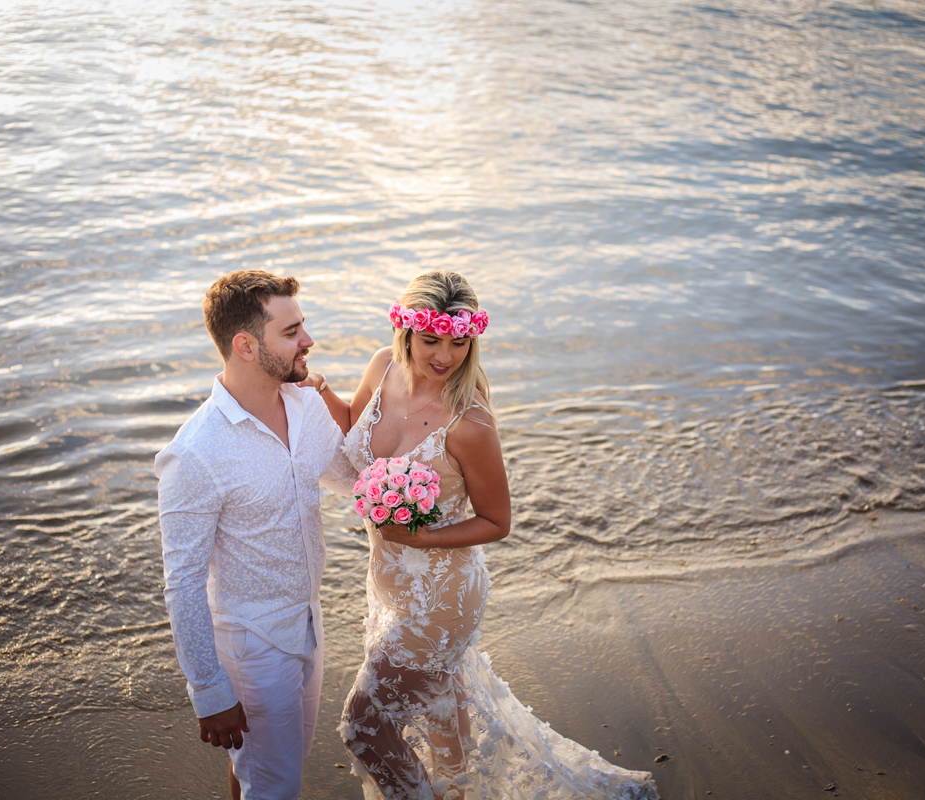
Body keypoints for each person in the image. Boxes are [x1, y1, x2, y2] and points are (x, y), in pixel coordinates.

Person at [314, 270, 658, 800]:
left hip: (443, 596)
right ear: (405, 332)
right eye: (431, 340)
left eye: (459, 342)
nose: (445, 356)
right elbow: (354, 432)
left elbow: (498, 521)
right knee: (440, 711)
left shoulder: (470, 423)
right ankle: (458, 791)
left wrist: (421, 540)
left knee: (364, 728)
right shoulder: (383, 368)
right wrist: (317, 391)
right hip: (387, 583)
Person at [155, 270, 356, 800]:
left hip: (310, 620)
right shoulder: (196, 453)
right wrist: (209, 690)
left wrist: (424, 471)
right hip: (253, 645)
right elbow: (183, 582)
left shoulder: (306, 404)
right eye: (291, 332)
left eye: (302, 327)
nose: (308, 341)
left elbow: (352, 480)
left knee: (268, 770)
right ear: (245, 345)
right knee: (275, 784)